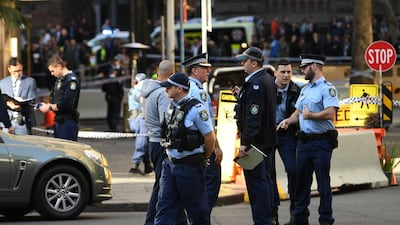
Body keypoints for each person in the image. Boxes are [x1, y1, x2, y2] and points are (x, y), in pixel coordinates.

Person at [277, 54, 339, 225]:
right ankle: (299, 219)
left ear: (314, 66)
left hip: (321, 143)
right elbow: (298, 113)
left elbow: (330, 113)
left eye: (304, 67)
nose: (302, 70)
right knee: (301, 184)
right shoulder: (305, 89)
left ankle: (326, 219)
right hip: (303, 143)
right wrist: (288, 121)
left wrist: (311, 115)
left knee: (323, 185)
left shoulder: (327, 88)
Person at [155, 72, 216, 225]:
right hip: (169, 165)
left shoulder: (197, 109)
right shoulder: (172, 106)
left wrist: (205, 158)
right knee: (164, 208)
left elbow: (210, 137)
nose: (166, 90)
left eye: (169, 87)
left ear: (180, 89)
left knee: (197, 212)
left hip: (190, 166)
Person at [232, 46, 278, 225]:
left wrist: (245, 143)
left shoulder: (256, 83)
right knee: (265, 182)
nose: (242, 63)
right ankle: (267, 219)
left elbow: (253, 117)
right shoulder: (266, 79)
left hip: (257, 144)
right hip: (265, 142)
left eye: (245, 60)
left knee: (257, 186)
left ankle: (263, 221)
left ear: (254, 62)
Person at [140, 60, 187, 225]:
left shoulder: (150, 90)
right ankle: (151, 221)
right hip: (161, 144)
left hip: (153, 141)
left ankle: (180, 221)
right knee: (162, 186)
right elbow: (167, 121)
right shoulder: (162, 93)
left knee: (169, 185)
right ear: (172, 74)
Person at [183, 53, 223, 213]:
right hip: (203, 144)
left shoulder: (189, 88)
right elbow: (206, 124)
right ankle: (202, 216)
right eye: (205, 68)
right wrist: (216, 147)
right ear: (194, 70)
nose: (209, 71)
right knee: (211, 182)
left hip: (193, 144)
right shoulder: (198, 92)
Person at [272, 59, 302, 225]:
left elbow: (300, 112)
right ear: (275, 73)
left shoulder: (296, 89)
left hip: (287, 133)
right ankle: (272, 214)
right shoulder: (266, 87)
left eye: (289, 72)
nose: (286, 75)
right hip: (268, 134)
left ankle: (295, 214)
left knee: (293, 169)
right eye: (282, 72)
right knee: (269, 175)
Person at [38, 55, 81, 141]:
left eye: (53, 71)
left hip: (67, 120)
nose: (52, 74)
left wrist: (49, 107)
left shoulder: (71, 81)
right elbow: (56, 97)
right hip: (59, 120)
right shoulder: (60, 80)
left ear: (59, 66)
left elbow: (67, 103)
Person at [0, 58, 37, 135]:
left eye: (19, 70)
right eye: (15, 71)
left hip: (23, 122)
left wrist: (20, 107)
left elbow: (32, 102)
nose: (17, 74)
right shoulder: (2, 83)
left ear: (22, 67)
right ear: (9, 69)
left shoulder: (30, 82)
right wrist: (7, 104)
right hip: (7, 123)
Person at [128, 73, 153, 175]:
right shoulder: (139, 91)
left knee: (145, 141)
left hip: (136, 118)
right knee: (142, 141)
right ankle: (135, 164)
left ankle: (147, 165)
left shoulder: (133, 90)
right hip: (141, 119)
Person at [102, 57, 126, 132]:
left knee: (115, 111)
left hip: (117, 94)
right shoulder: (109, 72)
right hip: (111, 94)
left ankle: (114, 126)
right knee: (111, 111)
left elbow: (121, 84)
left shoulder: (121, 70)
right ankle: (112, 126)